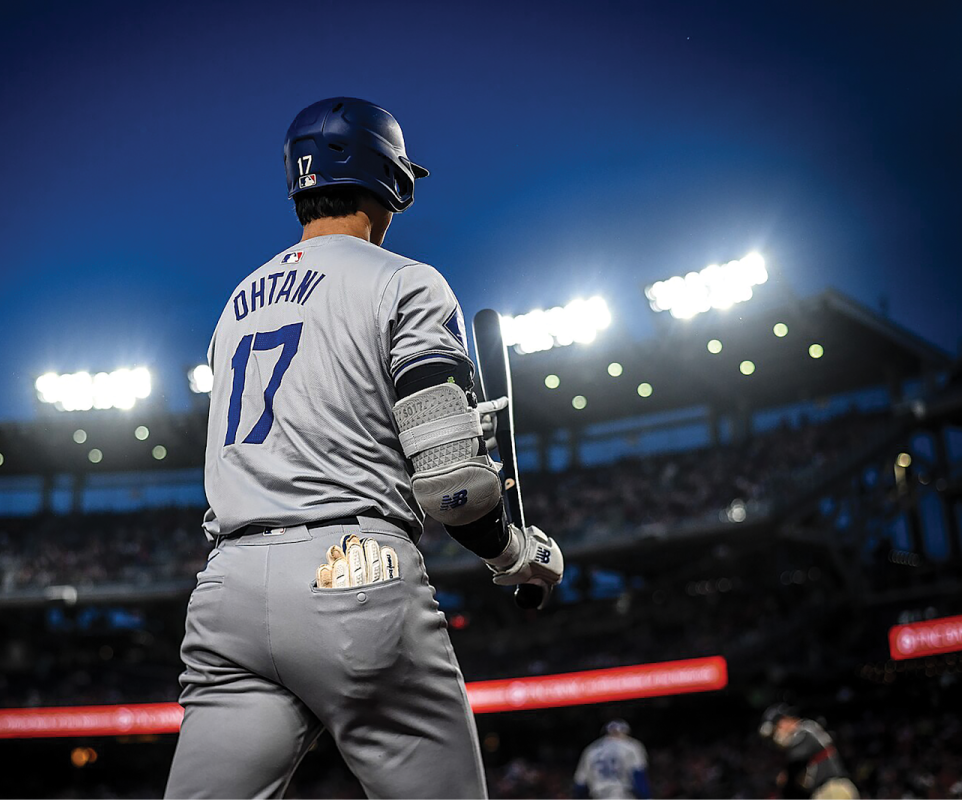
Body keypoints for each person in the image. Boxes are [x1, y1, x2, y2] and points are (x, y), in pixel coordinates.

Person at [162, 97, 564, 800]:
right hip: (352, 572)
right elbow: (452, 485)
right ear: (393, 182)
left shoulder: (237, 303)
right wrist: (514, 555)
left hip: (225, 590)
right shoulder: (403, 280)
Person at [759, 704, 860, 800]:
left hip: (833, 789)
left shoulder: (806, 730)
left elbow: (795, 756)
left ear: (785, 720)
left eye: (777, 728)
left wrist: (784, 775)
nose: (776, 735)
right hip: (823, 792)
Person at [573, 719, 651, 800]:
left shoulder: (591, 749)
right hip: (624, 795)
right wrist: (646, 797)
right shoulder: (632, 746)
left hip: (599, 796)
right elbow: (638, 775)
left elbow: (580, 784)